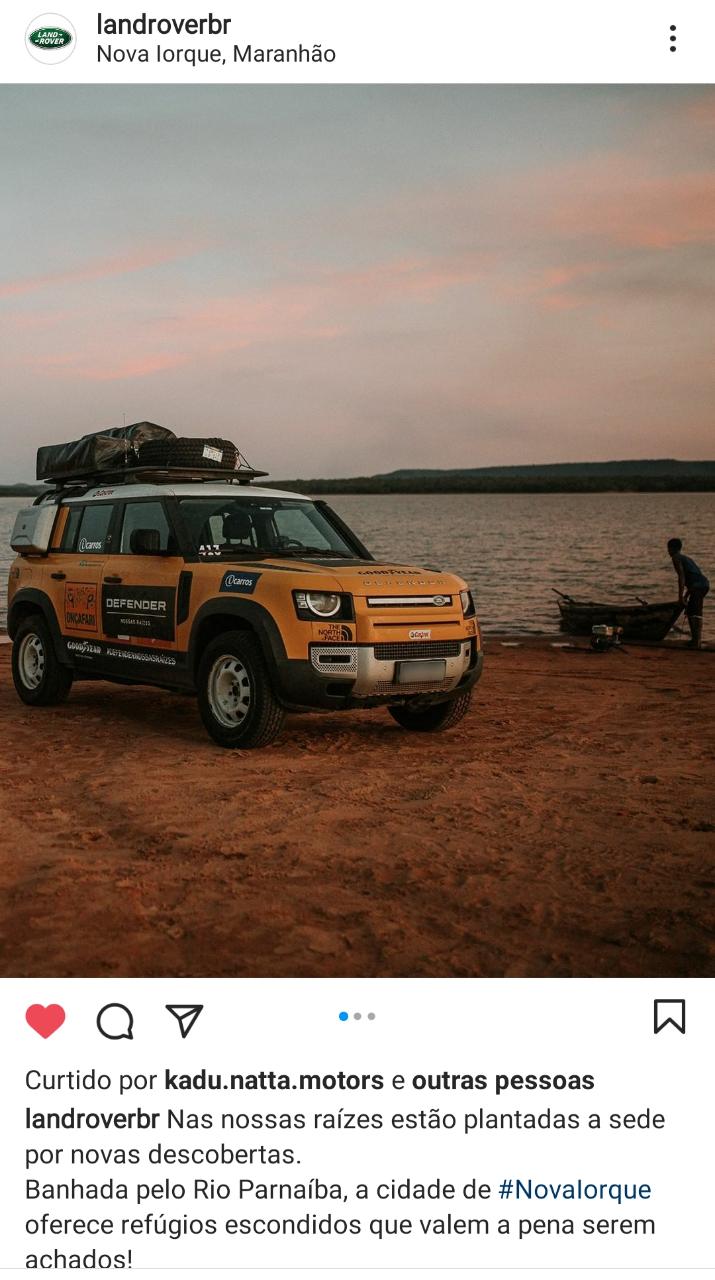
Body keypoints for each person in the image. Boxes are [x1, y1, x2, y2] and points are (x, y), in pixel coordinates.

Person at [667, 538, 709, 649]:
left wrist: (680, 598)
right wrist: (685, 596)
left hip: (698, 586)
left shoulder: (676, 558)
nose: (668, 551)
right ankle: (695, 640)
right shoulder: (685, 558)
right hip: (702, 584)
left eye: (669, 549)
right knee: (692, 610)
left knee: (694, 612)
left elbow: (682, 578)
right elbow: (692, 579)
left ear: (672, 549)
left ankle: (696, 642)